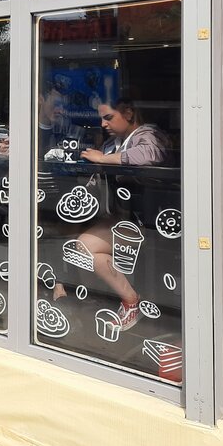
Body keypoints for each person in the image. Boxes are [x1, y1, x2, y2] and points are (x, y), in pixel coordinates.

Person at [76, 97, 170, 329]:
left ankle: (131, 301)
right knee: (79, 244)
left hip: (148, 222)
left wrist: (103, 159)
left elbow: (150, 154)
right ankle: (112, 298)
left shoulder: (149, 135)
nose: (103, 124)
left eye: (109, 117)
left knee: (85, 245)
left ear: (128, 113)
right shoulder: (112, 143)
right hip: (119, 219)